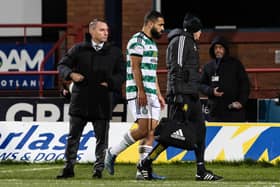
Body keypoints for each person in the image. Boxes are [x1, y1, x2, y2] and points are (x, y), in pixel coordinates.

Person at [136, 13, 223, 181]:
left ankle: (201, 170)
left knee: (200, 129)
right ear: (194, 30)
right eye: (199, 31)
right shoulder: (182, 41)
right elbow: (176, 68)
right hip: (182, 95)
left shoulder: (189, 42)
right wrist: (177, 94)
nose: (200, 34)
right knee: (170, 133)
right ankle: (146, 162)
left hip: (190, 94)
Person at [56, 18, 125, 179]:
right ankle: (68, 168)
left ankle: (98, 170)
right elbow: (62, 65)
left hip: (102, 101)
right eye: (102, 30)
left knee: (102, 139)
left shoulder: (114, 52)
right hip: (80, 100)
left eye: (107, 30)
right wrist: (71, 74)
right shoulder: (78, 49)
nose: (106, 33)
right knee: (73, 137)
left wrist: (110, 83)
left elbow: (122, 74)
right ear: (92, 31)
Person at [104, 10, 166, 179]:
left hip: (151, 92)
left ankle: (142, 171)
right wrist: (141, 91)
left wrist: (159, 93)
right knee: (144, 128)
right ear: (150, 23)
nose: (163, 29)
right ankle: (112, 152)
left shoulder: (152, 43)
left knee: (151, 131)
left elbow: (151, 73)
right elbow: (135, 68)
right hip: (139, 92)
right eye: (160, 25)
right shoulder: (137, 41)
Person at [200, 36, 250, 122]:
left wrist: (241, 102)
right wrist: (211, 91)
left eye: (220, 47)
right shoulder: (208, 66)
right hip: (215, 112)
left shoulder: (236, 64)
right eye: (215, 48)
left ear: (225, 49)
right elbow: (201, 85)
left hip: (234, 112)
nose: (218, 50)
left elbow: (245, 84)